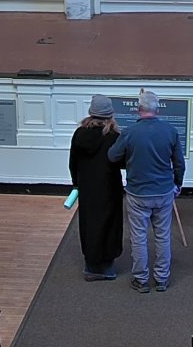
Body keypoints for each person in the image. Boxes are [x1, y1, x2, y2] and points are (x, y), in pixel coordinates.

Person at [107, 89, 184, 293]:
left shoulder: (130, 132)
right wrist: (178, 184)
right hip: (164, 191)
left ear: (138, 109)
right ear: (157, 110)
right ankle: (162, 279)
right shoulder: (170, 131)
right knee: (163, 235)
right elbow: (179, 163)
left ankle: (141, 279)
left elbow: (112, 156)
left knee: (139, 236)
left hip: (138, 193)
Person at [69, 95, 124, 280]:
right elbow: (121, 162)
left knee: (89, 223)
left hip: (87, 187)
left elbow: (73, 162)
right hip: (109, 187)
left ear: (91, 112)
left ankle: (90, 265)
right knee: (110, 224)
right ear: (110, 114)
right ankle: (107, 267)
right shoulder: (114, 136)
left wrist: (76, 183)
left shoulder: (79, 134)